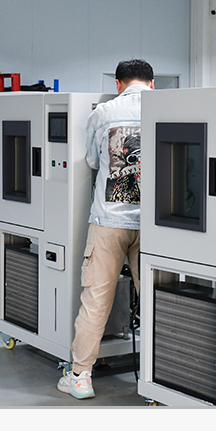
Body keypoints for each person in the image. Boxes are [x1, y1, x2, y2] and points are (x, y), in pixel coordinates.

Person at [58, 58, 154, 399]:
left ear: (118, 84)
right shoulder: (167, 108)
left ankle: (81, 377)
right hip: (156, 225)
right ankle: (162, 377)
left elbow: (93, 161)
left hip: (109, 221)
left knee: (96, 300)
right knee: (156, 300)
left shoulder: (103, 113)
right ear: (152, 83)